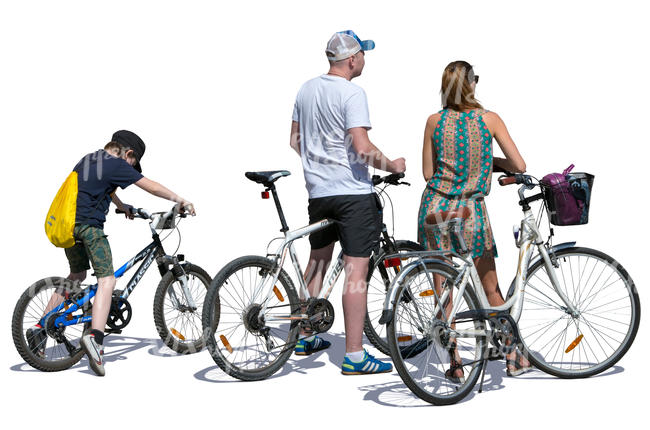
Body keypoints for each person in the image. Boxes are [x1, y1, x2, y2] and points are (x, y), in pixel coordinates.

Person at [26, 130, 195, 376]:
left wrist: (121, 206)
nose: (132, 168)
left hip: (69, 227)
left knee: (76, 276)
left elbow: (105, 187)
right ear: (129, 154)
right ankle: (95, 339)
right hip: (89, 229)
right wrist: (180, 199)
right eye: (134, 163)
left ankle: (41, 328)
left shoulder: (91, 159)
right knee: (107, 279)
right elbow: (150, 186)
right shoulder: (117, 164)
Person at [289, 30, 406, 374]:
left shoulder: (306, 89)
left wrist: (318, 162)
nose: (365, 60)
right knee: (356, 273)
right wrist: (394, 165)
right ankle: (355, 355)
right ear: (353, 59)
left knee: (318, 263)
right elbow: (362, 148)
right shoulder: (353, 93)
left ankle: (305, 334)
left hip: (318, 192)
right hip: (352, 195)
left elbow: (295, 140)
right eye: (363, 55)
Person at [417, 60, 531, 379]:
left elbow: (428, 173)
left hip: (435, 209)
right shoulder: (489, 120)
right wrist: (487, 163)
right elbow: (518, 164)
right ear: (471, 84)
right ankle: (513, 357)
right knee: (489, 286)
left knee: (444, 289)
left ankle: (455, 366)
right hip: (470, 212)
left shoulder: (432, 122)